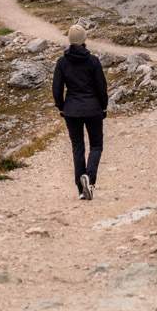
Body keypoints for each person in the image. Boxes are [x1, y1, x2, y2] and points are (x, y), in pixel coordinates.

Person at [52, 24, 108, 200]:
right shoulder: (93, 61)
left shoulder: (62, 63)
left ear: (69, 40)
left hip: (71, 110)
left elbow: (56, 89)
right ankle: (89, 180)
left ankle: (81, 189)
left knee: (78, 147)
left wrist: (61, 106)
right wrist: (103, 106)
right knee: (96, 146)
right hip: (93, 109)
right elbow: (101, 87)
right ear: (84, 40)